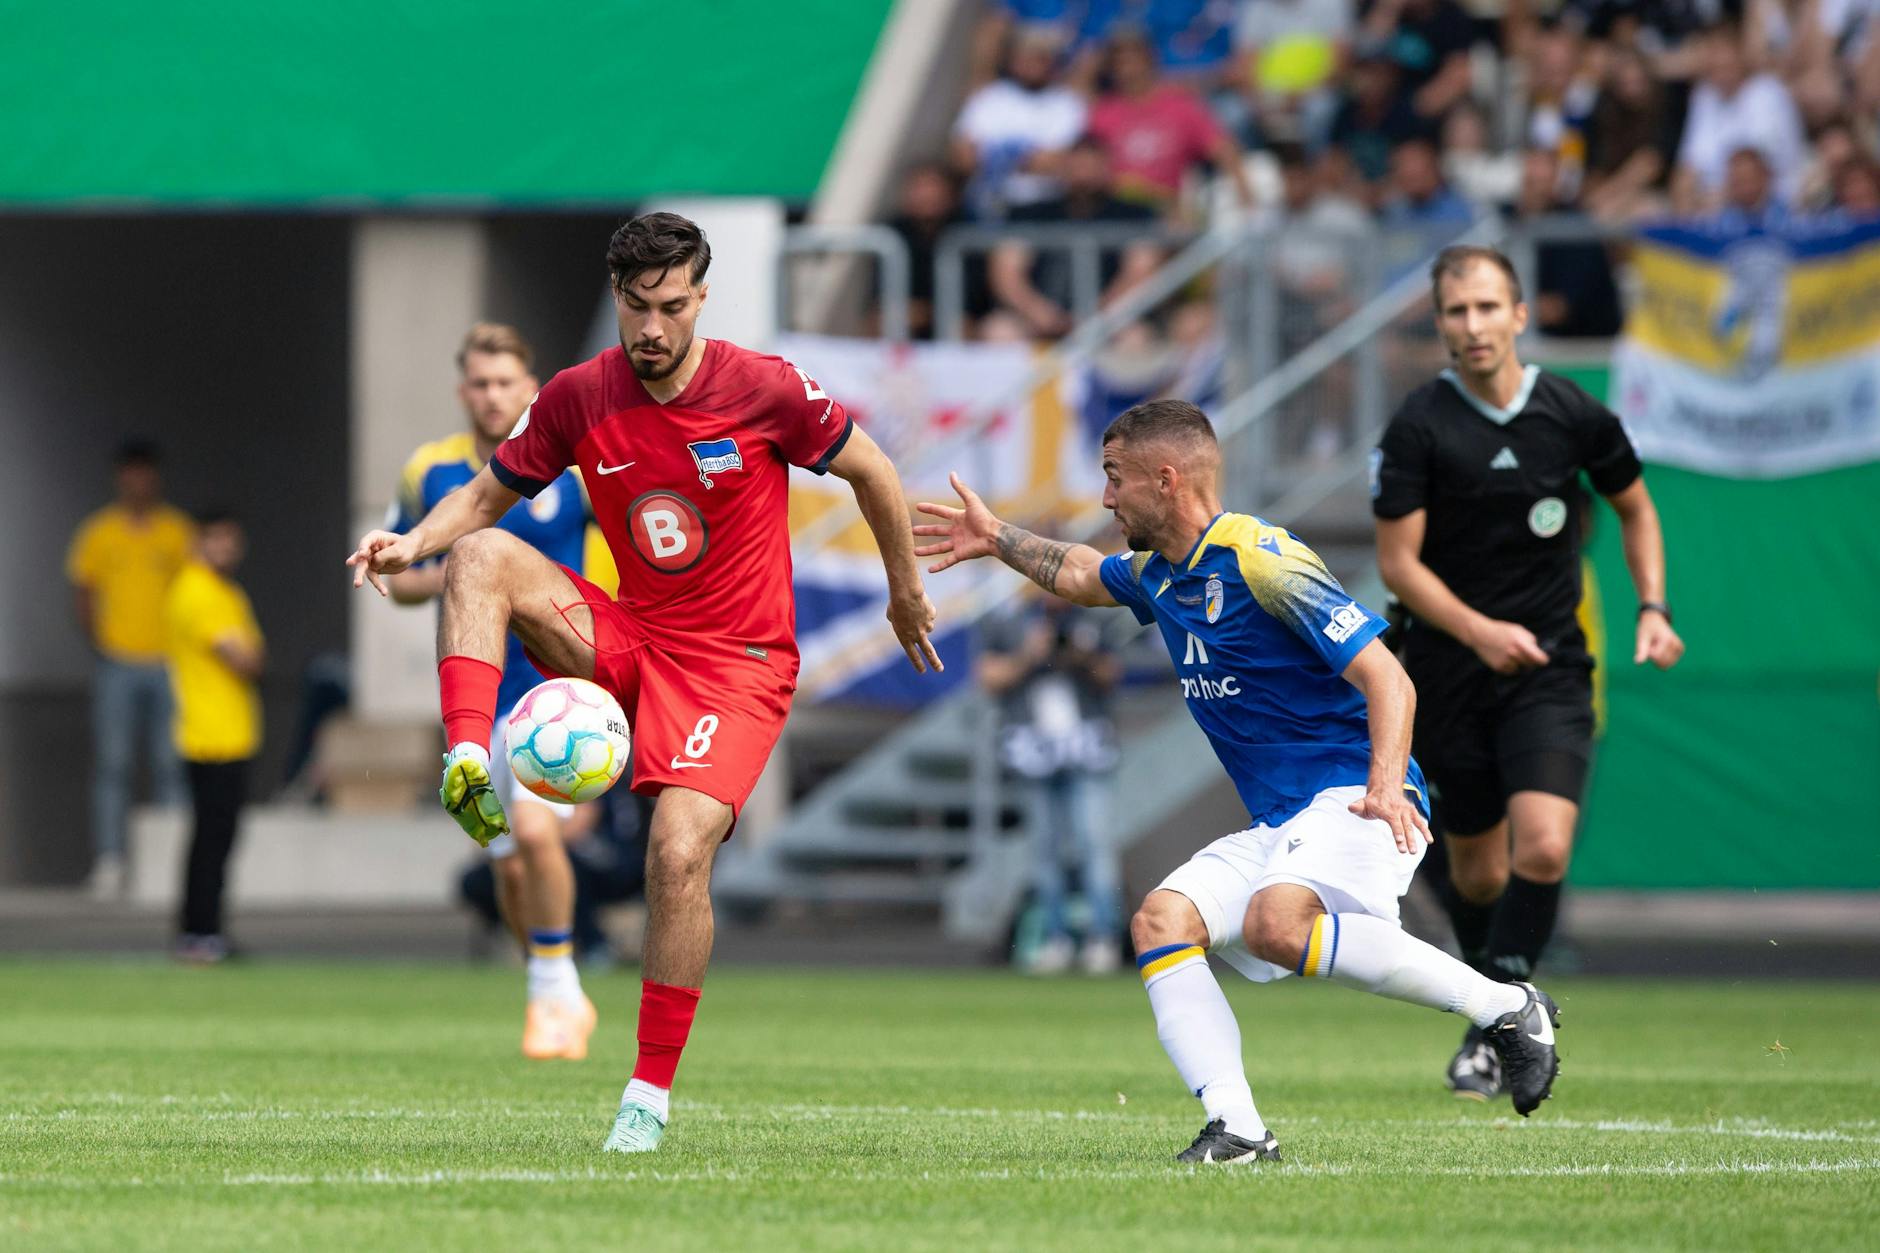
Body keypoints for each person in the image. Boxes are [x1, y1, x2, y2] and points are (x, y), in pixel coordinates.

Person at [347, 212, 940, 1155]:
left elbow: (870, 468)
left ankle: (647, 1096)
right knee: (484, 556)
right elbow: (485, 495)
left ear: (699, 296)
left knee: (675, 852)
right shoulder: (582, 395)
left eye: (670, 306)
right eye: (636, 307)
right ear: (618, 298)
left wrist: (905, 592)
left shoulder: (765, 387)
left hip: (737, 665)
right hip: (633, 636)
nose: (652, 326)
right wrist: (412, 540)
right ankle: (469, 757)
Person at [914, 399, 1562, 1165]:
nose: (1106, 498)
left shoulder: (1262, 558)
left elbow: (1389, 678)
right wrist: (998, 539)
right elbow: (1086, 575)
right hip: (1283, 816)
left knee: (1274, 925)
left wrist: (1386, 786)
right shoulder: (1163, 574)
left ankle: (1508, 1007)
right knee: (1161, 921)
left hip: (1353, 791)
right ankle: (1240, 1128)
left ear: (1165, 478)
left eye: (1114, 479)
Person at [1371, 245, 1683, 1103]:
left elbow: (1636, 506)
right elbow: (1398, 563)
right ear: (1440, 324)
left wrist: (1654, 606)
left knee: (1543, 844)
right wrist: (1478, 630)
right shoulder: (1418, 426)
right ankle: (1502, 1010)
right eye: (1455, 312)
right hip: (1447, 668)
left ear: (1518, 314)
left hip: (1548, 667)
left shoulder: (1572, 412)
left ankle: (1497, 1020)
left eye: (1486, 307)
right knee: (1475, 874)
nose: (1472, 325)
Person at [386, 322, 604, 1061]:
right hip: (481, 696)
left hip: (559, 689)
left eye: (505, 381)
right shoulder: (432, 472)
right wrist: (459, 571)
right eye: (479, 383)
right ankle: (554, 981)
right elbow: (400, 580)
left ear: (529, 386)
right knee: (508, 864)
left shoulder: (572, 466)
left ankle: (555, 990)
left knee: (540, 836)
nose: (491, 395)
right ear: (462, 391)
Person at [66, 439, 193, 899]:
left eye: (145, 472)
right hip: (117, 664)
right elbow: (83, 591)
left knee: (170, 763)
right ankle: (110, 862)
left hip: (167, 663)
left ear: (154, 477)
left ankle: (169, 865)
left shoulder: (176, 531)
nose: (138, 481)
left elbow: (193, 592)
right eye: (130, 473)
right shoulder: (99, 533)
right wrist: (100, 643)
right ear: (121, 478)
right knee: (112, 764)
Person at [978, 595, 1124, 974]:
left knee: (1093, 843)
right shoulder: (1008, 619)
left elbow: (1111, 675)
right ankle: (1055, 936)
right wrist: (1031, 653)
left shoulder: (1089, 617)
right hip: (1033, 749)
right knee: (1044, 850)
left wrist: (1080, 656)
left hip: (1085, 746)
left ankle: (1102, 936)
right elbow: (989, 678)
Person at [164, 511, 263, 963]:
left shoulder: (228, 591)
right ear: (199, 542)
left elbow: (255, 654)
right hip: (208, 736)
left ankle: (204, 929)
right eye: (216, 540)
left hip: (232, 733)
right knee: (210, 841)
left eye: (231, 540)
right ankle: (199, 931)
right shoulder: (195, 590)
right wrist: (248, 656)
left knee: (217, 840)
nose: (225, 549)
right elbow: (244, 659)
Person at [988, 134, 1161, 337]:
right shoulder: (1029, 214)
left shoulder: (1135, 216)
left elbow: (1141, 272)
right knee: (999, 331)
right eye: (1077, 167)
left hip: (1110, 321)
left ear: (1107, 169)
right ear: (1062, 169)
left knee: (1135, 338)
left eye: (1091, 167)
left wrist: (1097, 316)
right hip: (1036, 319)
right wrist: (1038, 312)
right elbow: (1007, 274)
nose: (1084, 176)